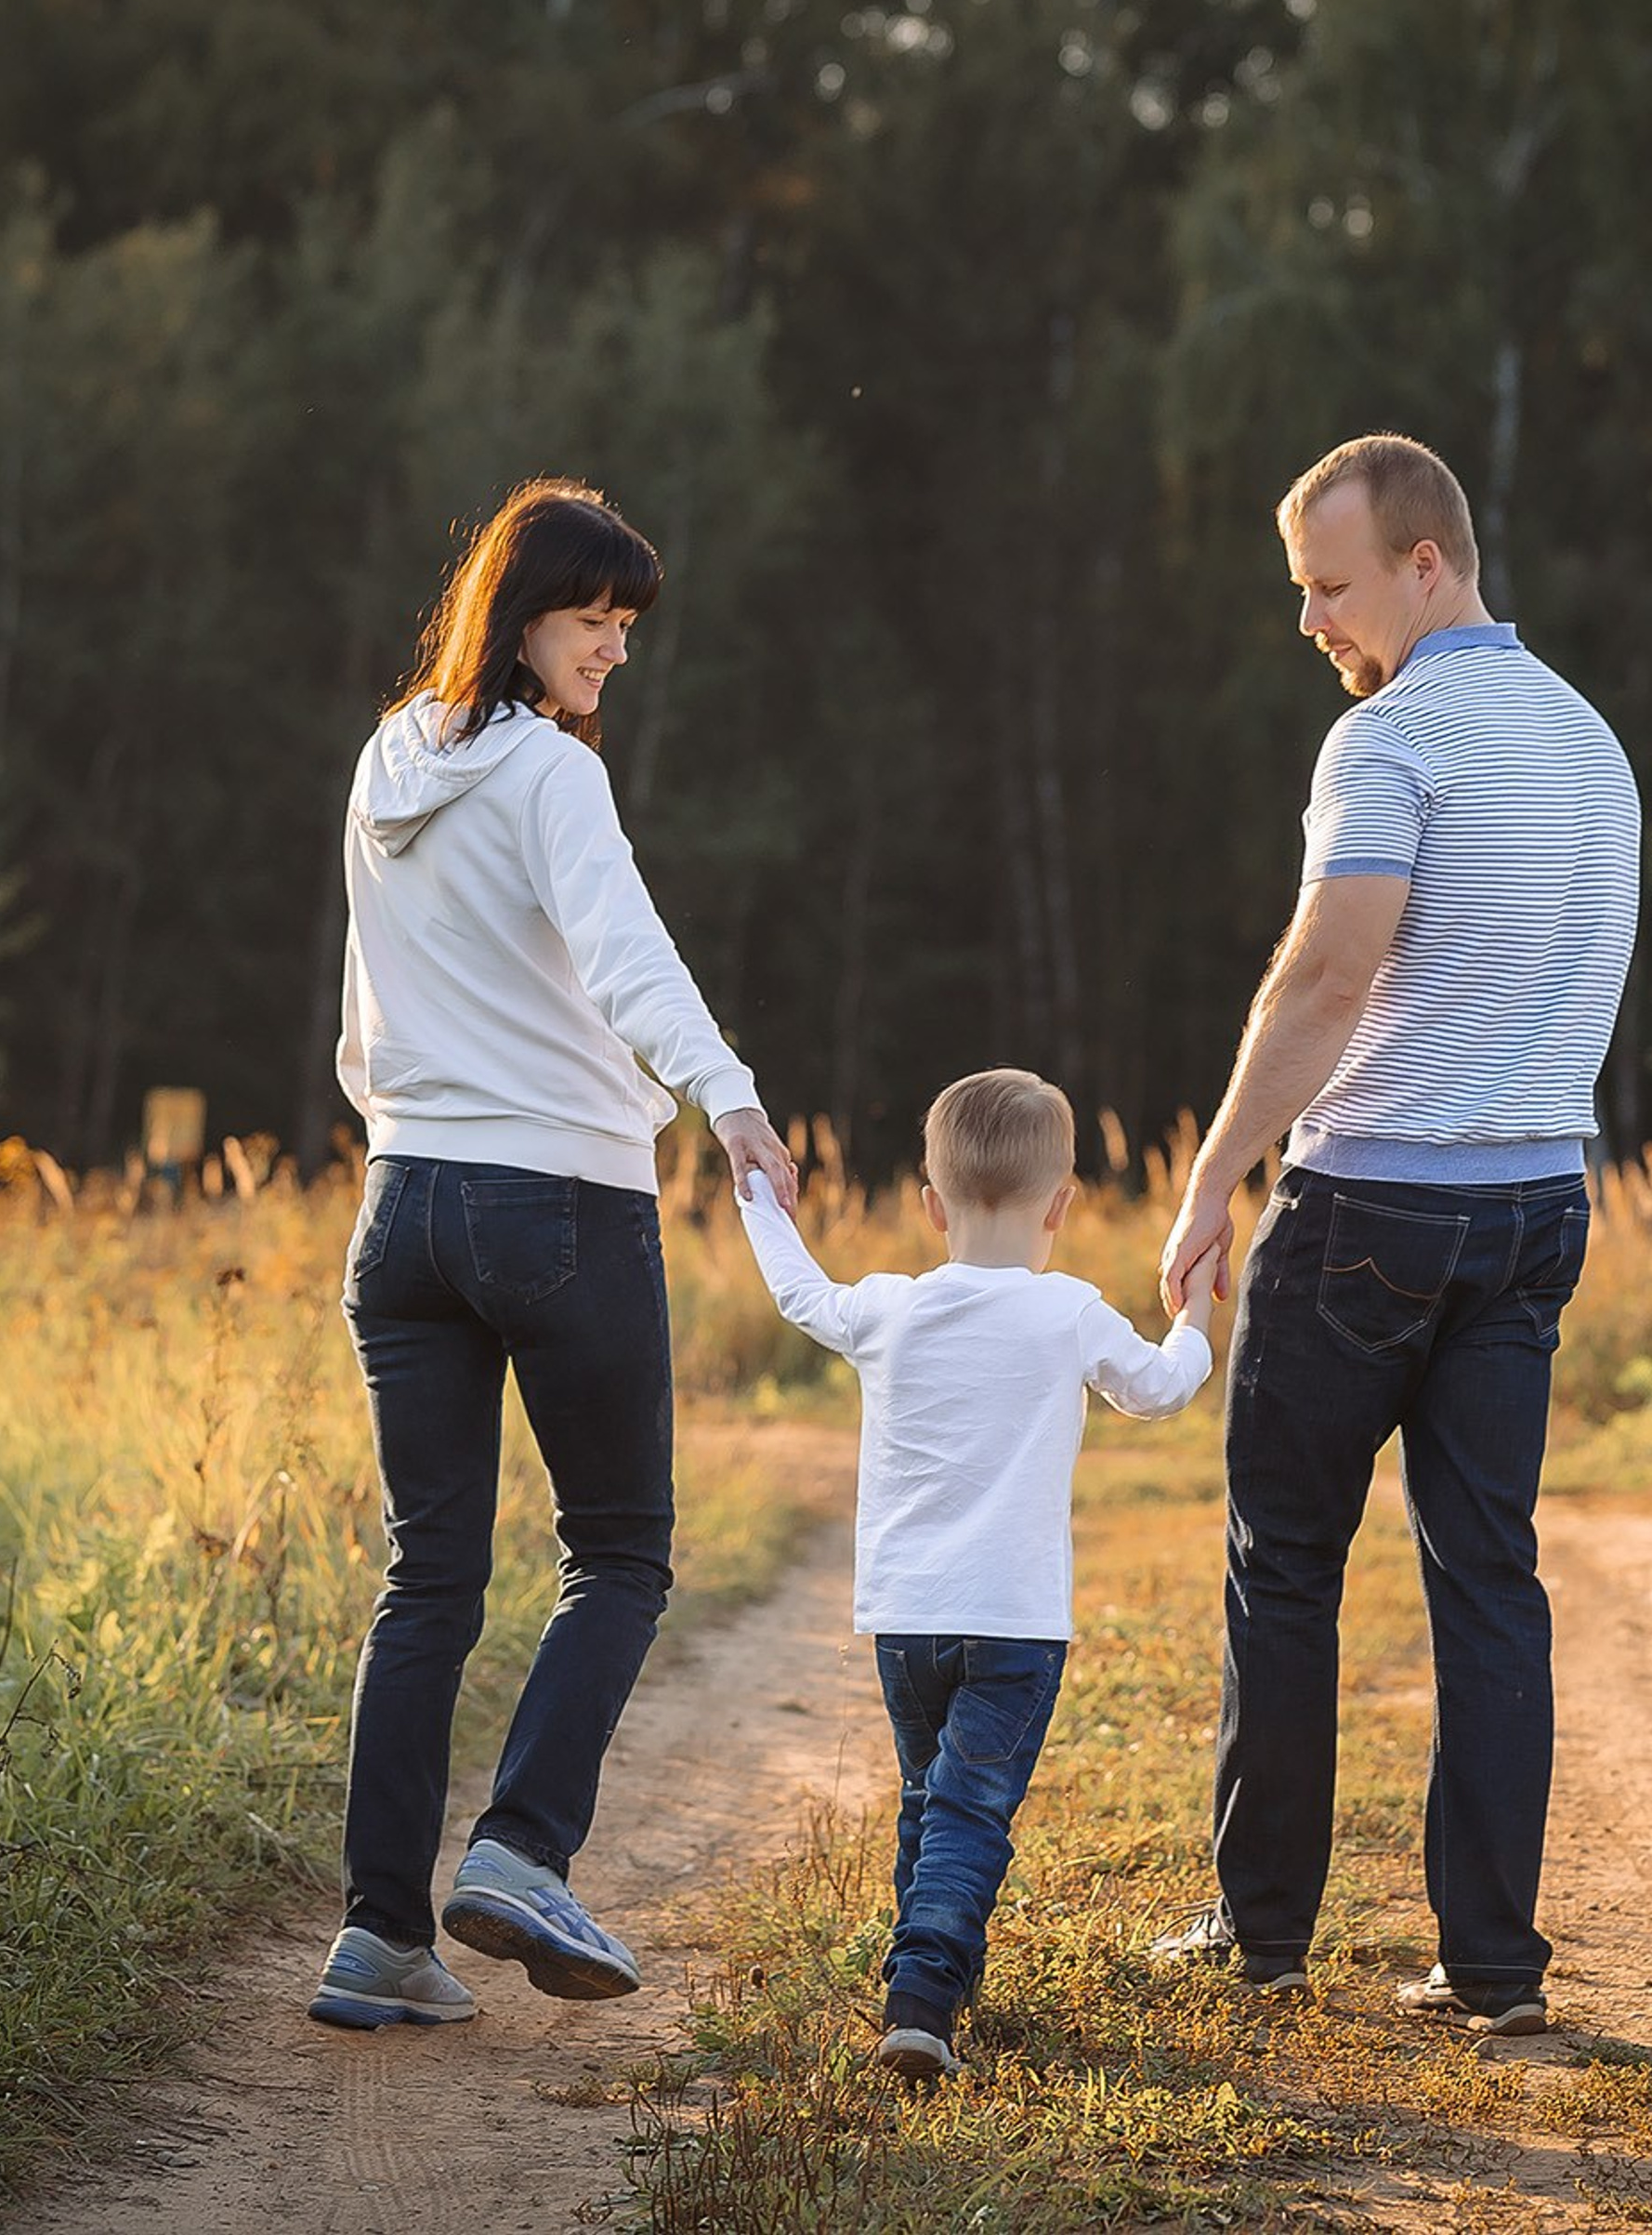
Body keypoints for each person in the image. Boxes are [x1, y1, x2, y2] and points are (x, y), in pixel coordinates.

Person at [1151, 434, 1638, 2036]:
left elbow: (1326, 979)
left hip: (1369, 1209)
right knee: (1490, 1579)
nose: (1311, 622)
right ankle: (1493, 1968)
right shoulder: (1590, 742)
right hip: (1537, 1205)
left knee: (1284, 1565)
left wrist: (1214, 1175)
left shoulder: (1392, 740)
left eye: (1330, 587)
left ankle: (1261, 1934)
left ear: (1427, 564)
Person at [308, 478, 796, 2031]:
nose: (614, 651)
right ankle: (522, 1848)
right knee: (623, 1551)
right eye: (594, 620)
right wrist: (730, 1097)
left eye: (625, 627)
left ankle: (380, 1939)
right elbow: (627, 955)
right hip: (559, 1201)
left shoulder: (388, 760)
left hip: (402, 1208)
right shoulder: (549, 773)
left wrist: (408, 1123)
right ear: (519, 617)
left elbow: (363, 1014)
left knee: (429, 1579)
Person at [735, 1069, 1217, 2079]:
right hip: (1014, 1623)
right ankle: (922, 1995)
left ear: (931, 1205)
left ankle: (932, 1985)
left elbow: (796, 1291)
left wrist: (759, 1199)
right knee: (967, 1809)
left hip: (907, 1621)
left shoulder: (888, 1307)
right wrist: (1195, 1317)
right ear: (1061, 1206)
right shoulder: (1068, 1311)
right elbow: (1163, 1390)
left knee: (931, 1795)